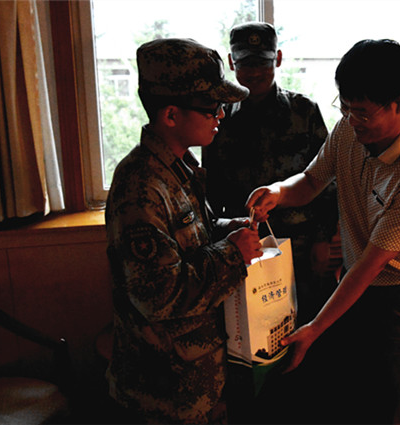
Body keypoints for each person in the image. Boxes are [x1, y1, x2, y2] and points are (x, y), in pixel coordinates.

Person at [246, 39, 400, 424]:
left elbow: (373, 264)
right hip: (356, 282)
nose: (351, 119)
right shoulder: (349, 130)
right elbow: (311, 181)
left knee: (398, 404)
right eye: (345, 107)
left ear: (399, 103)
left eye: (362, 112)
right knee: (353, 392)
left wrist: (315, 328)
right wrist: (277, 192)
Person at [104, 38, 264, 424]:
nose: (221, 114)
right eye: (211, 107)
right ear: (171, 115)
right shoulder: (141, 186)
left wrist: (230, 230)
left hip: (199, 381)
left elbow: (193, 239)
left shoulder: (177, 167)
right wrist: (232, 253)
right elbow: (158, 294)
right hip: (164, 396)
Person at [203, 22, 338, 326]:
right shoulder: (218, 119)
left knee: (310, 326)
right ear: (231, 63)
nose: (253, 73)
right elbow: (210, 191)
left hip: (302, 247)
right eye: (245, 64)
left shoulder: (304, 111)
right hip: (243, 249)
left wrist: (323, 238)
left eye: (262, 63)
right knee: (253, 332)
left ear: (277, 59)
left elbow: (328, 180)